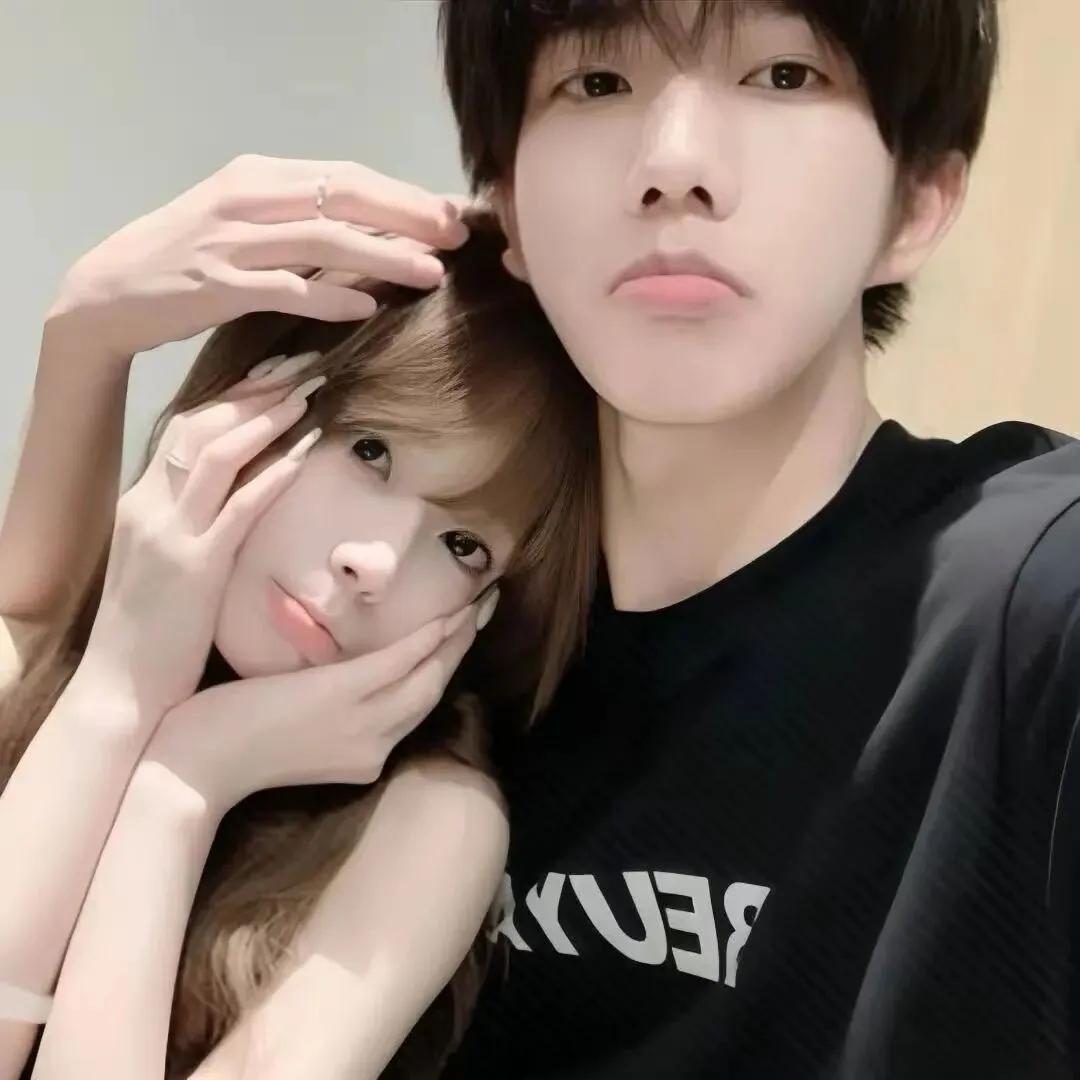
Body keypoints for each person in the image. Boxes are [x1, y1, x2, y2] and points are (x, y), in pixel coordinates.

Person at [6, 0, 1080, 1076]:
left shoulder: (1026, 598)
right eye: (597, 82)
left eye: (785, 76)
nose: (674, 164)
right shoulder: (429, 665)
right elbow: (39, 627)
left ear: (919, 202)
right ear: (507, 203)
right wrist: (89, 336)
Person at [0, 206, 598, 1080]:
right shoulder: (24, 664)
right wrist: (120, 691)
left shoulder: (429, 826)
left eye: (464, 545)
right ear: (243, 406)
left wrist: (183, 786)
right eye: (372, 451)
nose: (374, 563)